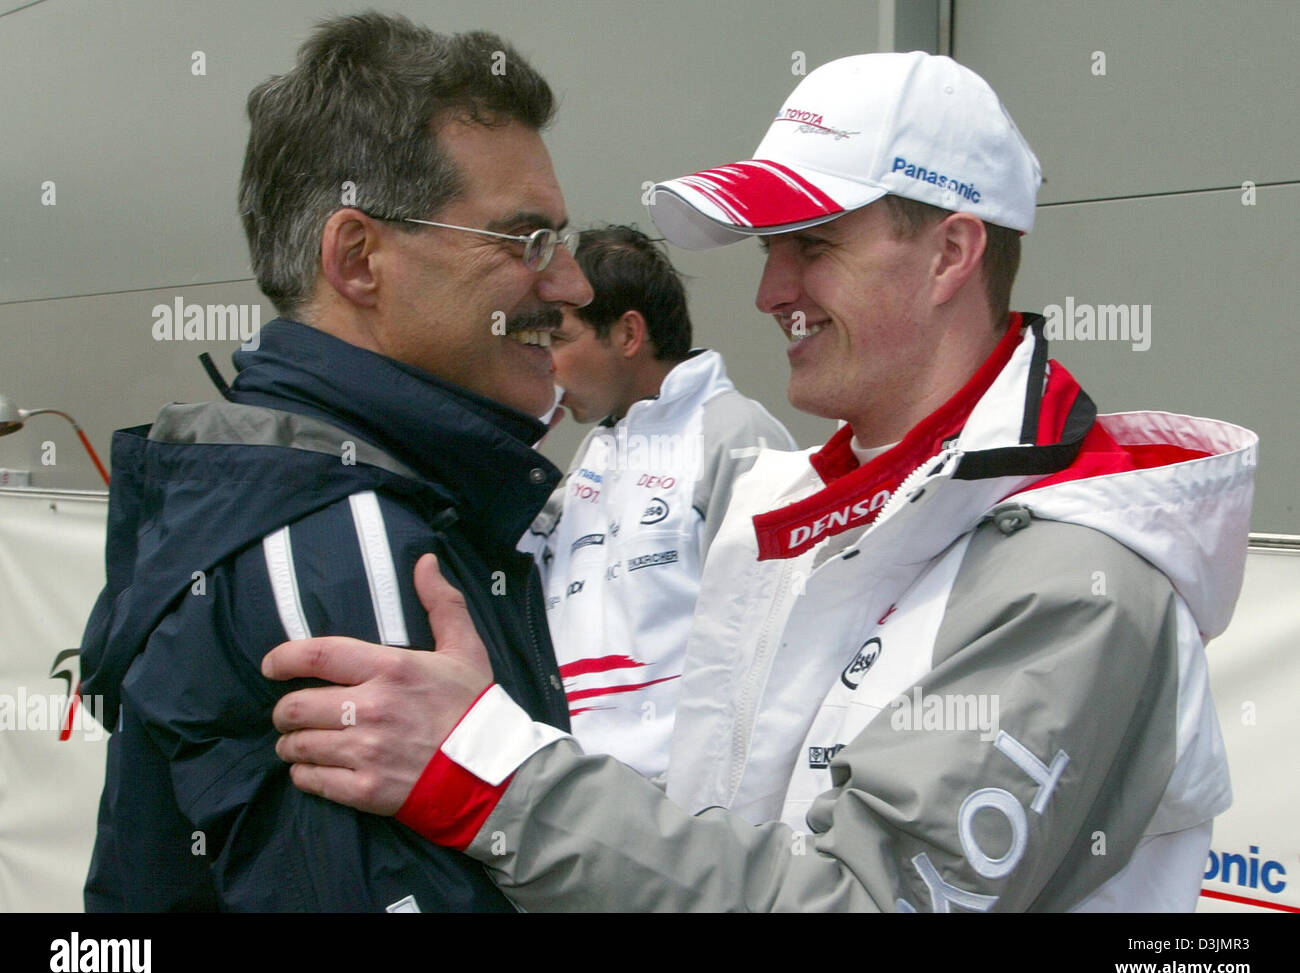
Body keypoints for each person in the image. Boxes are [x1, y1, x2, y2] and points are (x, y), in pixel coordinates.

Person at [264, 52, 1257, 911]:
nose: (768, 291)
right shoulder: (786, 511)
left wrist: (493, 778)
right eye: (771, 247)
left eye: (813, 246)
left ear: (950, 252)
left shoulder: (1080, 582)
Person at [79, 13, 592, 911]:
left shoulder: (343, 494)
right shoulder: (339, 539)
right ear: (358, 258)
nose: (571, 286)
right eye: (526, 242)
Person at [525, 224, 794, 778]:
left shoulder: (734, 434)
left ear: (628, 334)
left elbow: (782, 644)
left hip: (693, 817)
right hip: (577, 806)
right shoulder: (589, 459)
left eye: (560, 340)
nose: (545, 363)